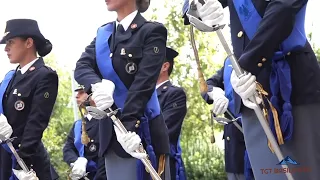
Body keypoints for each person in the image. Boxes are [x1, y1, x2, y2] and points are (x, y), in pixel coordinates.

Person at [183, 0, 320, 179]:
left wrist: (247, 66)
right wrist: (197, 4)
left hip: (292, 91)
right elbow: (193, 6)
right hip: (249, 98)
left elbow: (284, 9)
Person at [74, 0, 171, 179]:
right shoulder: (103, 34)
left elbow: (144, 83)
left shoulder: (151, 31)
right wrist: (97, 85)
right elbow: (81, 67)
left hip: (141, 130)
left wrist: (127, 126)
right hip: (110, 134)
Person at [0, 19, 59, 180]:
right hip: (5, 159)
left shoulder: (44, 75)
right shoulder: (10, 78)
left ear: (28, 43)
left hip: (26, 160)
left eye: (11, 42)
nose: (6, 48)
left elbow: (37, 121)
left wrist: (23, 161)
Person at [201, 57, 254, 180]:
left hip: (262, 141)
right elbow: (206, 86)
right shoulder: (229, 61)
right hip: (235, 146)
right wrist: (216, 93)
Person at [63, 85, 106, 180]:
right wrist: (76, 161)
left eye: (81, 92)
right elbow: (68, 149)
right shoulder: (77, 125)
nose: (77, 96)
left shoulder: (104, 121)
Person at [156, 47, 187, 180]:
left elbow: (165, 131)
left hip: (163, 161)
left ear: (165, 66)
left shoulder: (174, 94)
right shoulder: (143, 95)